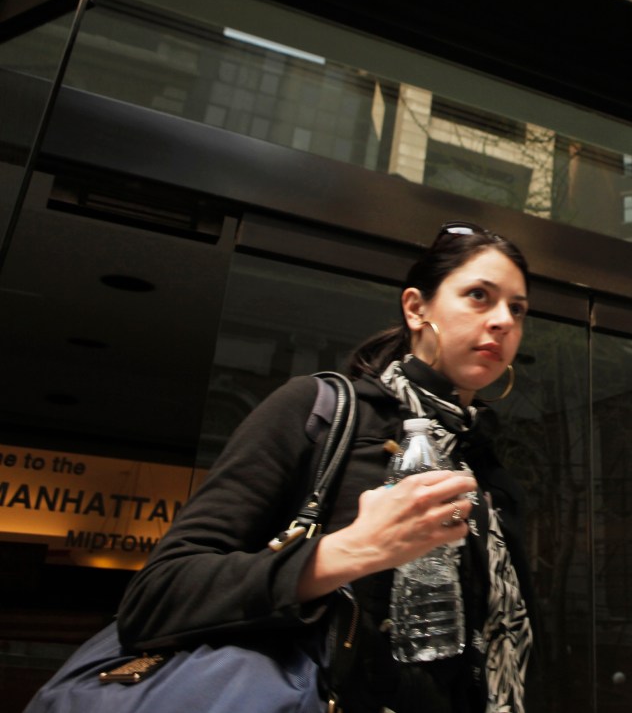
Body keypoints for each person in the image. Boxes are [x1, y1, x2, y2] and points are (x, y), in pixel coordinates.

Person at [116, 222, 537, 713]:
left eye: (518, 308)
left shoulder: (486, 465)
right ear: (416, 308)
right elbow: (156, 596)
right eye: (479, 296)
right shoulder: (320, 410)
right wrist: (348, 551)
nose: (503, 319)